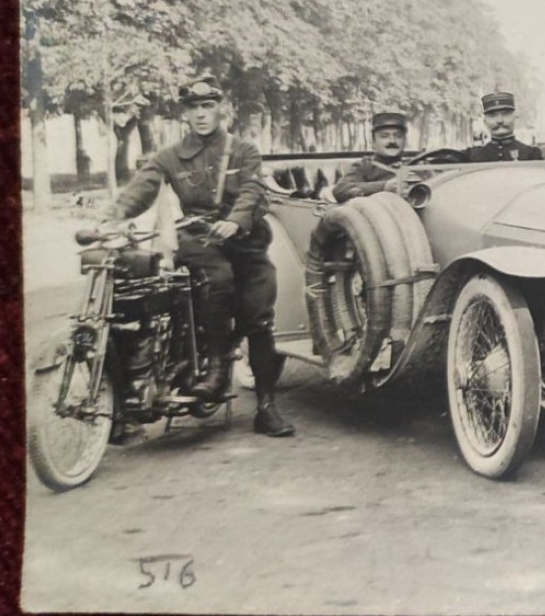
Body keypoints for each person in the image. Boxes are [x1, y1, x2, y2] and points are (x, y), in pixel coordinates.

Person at [104, 74, 294, 438]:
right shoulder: (169, 157)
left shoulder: (242, 150)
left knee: (258, 318)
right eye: (194, 108)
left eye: (208, 106)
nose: (202, 114)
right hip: (200, 240)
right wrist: (112, 217)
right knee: (214, 280)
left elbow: (253, 190)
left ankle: (267, 407)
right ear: (185, 115)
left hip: (247, 243)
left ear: (220, 109)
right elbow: (140, 190)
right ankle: (217, 368)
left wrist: (236, 221)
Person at [333, 111, 409, 201]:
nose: (392, 141)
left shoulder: (415, 167)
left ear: (405, 141)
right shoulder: (364, 166)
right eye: (384, 136)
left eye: (398, 136)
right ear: (373, 142)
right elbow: (340, 190)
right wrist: (383, 186)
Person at [466, 91, 545, 162]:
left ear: (515, 116)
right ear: (484, 121)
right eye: (492, 115)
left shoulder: (531, 155)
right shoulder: (473, 156)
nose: (500, 120)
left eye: (506, 114)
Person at [110, 93, 155, 182]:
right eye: (138, 106)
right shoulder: (124, 113)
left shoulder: (136, 116)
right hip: (121, 121)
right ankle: (121, 174)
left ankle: (122, 174)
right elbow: (121, 122)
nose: (139, 109)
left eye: (140, 107)